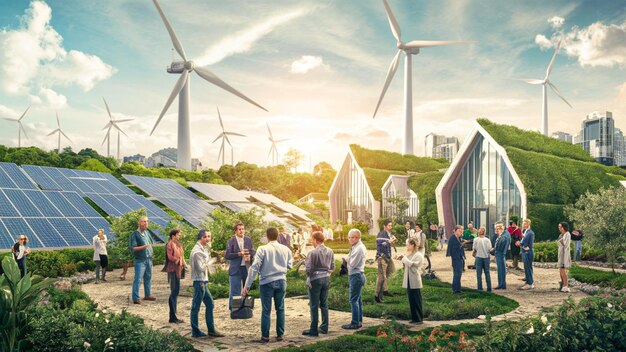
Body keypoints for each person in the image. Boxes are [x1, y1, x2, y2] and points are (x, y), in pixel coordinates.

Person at [243, 227, 293, 344]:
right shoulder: (286, 249)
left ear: (267, 236)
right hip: (281, 280)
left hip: (266, 282)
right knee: (280, 308)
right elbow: (290, 265)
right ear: (278, 236)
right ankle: (280, 334)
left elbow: (254, 267)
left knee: (266, 310)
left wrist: (247, 285)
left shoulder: (262, 249)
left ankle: (265, 336)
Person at [190, 230, 224, 338]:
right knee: (196, 307)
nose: (208, 239)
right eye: (205, 237)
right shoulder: (197, 251)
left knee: (210, 304)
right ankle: (196, 331)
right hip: (199, 281)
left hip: (203, 281)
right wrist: (211, 262)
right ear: (200, 237)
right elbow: (200, 268)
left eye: (209, 236)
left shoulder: (204, 249)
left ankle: (211, 330)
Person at [303, 231, 334, 337]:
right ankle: (324, 327)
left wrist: (307, 274)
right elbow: (332, 267)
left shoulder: (312, 253)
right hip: (326, 278)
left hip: (315, 279)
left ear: (315, 240)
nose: (312, 242)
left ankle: (313, 329)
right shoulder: (330, 251)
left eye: (312, 239)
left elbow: (308, 269)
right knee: (324, 304)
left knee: (314, 304)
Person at [224, 222, 255, 311]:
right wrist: (238, 254)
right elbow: (227, 255)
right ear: (235, 231)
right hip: (235, 269)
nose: (242, 231)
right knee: (235, 290)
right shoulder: (231, 241)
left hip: (246, 267)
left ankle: (246, 308)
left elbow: (253, 251)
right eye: (239, 229)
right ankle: (233, 308)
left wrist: (249, 254)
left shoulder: (248, 239)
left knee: (247, 289)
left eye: (243, 229)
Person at [341, 228, 367, 330]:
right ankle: (359, 320)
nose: (351, 239)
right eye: (350, 237)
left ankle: (355, 322)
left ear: (358, 237)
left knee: (353, 300)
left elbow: (352, 264)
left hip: (356, 275)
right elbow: (349, 259)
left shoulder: (359, 248)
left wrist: (346, 262)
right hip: (357, 275)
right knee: (358, 300)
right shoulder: (356, 247)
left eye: (354, 237)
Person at [397, 239, 424, 324]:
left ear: (412, 245)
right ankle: (414, 317)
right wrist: (401, 258)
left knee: (416, 299)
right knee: (411, 299)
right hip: (408, 279)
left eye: (408, 245)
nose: (407, 247)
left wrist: (404, 258)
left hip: (414, 279)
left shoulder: (418, 255)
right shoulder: (410, 254)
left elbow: (413, 265)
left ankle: (419, 318)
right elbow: (407, 263)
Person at [130, 216, 156, 304]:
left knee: (148, 277)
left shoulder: (147, 233)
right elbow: (133, 248)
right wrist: (144, 247)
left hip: (149, 259)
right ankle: (135, 298)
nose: (145, 223)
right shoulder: (135, 234)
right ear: (139, 223)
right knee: (138, 279)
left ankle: (147, 295)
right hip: (140, 260)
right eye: (143, 221)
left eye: (147, 221)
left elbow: (151, 243)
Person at [165, 229, 186, 323]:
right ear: (173, 236)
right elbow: (170, 257)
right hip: (172, 270)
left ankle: (174, 316)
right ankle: (172, 317)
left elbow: (182, 256)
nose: (179, 236)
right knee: (174, 292)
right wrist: (176, 260)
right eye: (178, 235)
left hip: (179, 270)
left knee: (176, 292)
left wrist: (184, 264)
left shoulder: (179, 244)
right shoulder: (170, 244)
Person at [375, 220, 397, 303]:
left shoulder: (389, 234)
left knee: (390, 272)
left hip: (388, 257)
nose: (391, 227)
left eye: (391, 225)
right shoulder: (381, 234)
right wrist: (389, 241)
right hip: (382, 257)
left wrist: (394, 240)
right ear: (385, 226)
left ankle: (385, 290)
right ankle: (377, 296)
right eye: (389, 225)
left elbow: (391, 243)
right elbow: (380, 245)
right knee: (381, 277)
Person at [473, 226, 492, 291]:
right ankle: (489, 288)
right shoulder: (487, 240)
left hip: (478, 257)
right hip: (486, 257)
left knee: (479, 273)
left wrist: (474, 254)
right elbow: (490, 249)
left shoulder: (475, 239)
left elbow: (474, 249)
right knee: (487, 272)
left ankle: (479, 288)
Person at [446, 225, 464, 294]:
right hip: (456, 259)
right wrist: (461, 245)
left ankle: (458, 289)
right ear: (455, 230)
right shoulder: (452, 238)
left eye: (462, 231)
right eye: (460, 231)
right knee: (457, 274)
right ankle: (454, 289)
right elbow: (451, 248)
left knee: (459, 274)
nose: (461, 232)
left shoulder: (458, 238)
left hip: (460, 257)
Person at [493, 222, 511, 290]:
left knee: (501, 270)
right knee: (501, 269)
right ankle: (502, 284)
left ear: (500, 228)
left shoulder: (504, 235)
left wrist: (494, 250)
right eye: (496, 228)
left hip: (500, 254)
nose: (496, 230)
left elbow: (501, 245)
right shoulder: (504, 234)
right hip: (500, 254)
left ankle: (501, 284)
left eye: (497, 228)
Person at [519, 219, 535, 290]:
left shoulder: (531, 233)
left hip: (527, 252)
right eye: (523, 223)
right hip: (524, 251)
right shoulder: (525, 231)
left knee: (528, 268)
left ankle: (530, 283)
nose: (523, 225)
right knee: (527, 268)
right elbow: (523, 240)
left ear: (528, 224)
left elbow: (530, 245)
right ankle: (529, 282)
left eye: (525, 223)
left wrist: (522, 245)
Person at [557, 222, 572, 293]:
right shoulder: (561, 235)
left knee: (563, 270)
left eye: (560, 227)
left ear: (563, 227)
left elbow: (565, 244)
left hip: (564, 254)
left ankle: (566, 286)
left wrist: (560, 241)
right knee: (561, 270)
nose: (559, 228)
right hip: (561, 254)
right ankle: (563, 285)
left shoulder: (567, 234)